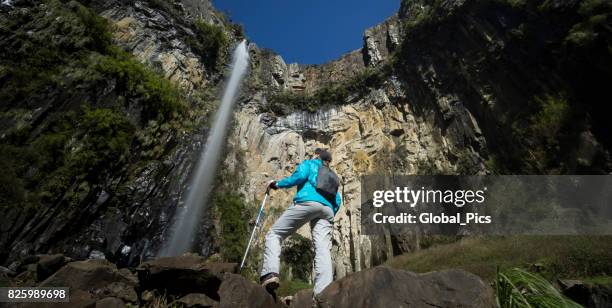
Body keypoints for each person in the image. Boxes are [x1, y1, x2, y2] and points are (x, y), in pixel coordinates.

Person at [260, 150, 341, 295]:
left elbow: (298, 177)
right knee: (322, 250)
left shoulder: (309, 164)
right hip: (328, 210)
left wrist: (277, 184)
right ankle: (323, 292)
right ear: (328, 161)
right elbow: (338, 200)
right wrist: (328, 213)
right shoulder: (333, 176)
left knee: (274, 234)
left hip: (308, 202)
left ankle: (270, 274)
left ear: (318, 157)